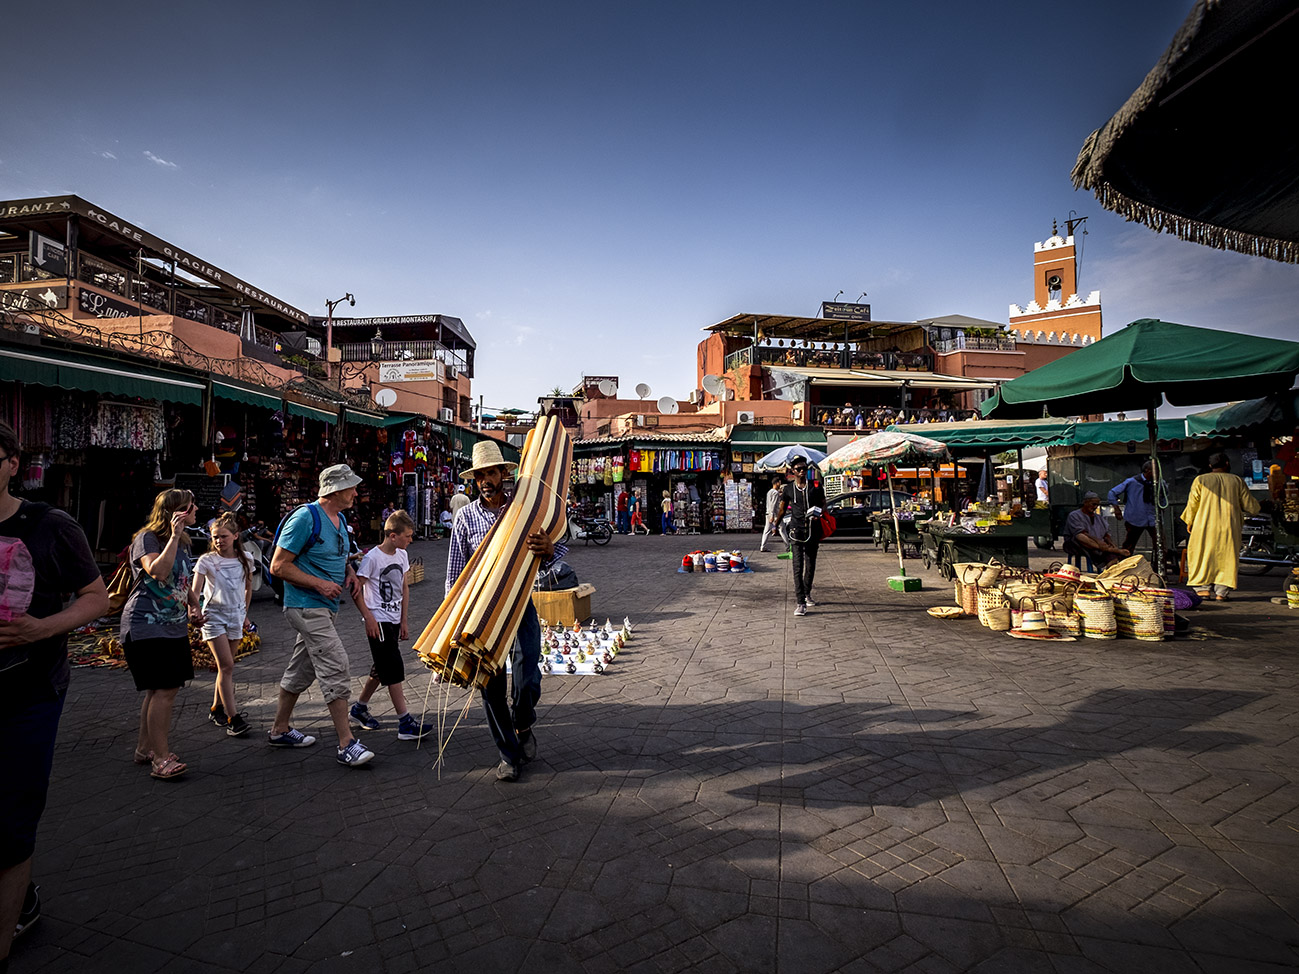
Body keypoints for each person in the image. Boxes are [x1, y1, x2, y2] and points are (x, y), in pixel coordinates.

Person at [0, 422, 107, 966]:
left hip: (29, 691)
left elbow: (96, 597)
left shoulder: (48, 525)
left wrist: (43, 628)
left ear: (13, 462)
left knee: (13, 818)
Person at [446, 440, 567, 782]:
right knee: (491, 684)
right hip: (481, 610)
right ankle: (508, 754)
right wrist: (453, 621)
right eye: (480, 475)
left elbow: (558, 547)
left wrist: (549, 548)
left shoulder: (522, 509)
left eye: (491, 473)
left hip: (520, 601)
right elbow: (455, 573)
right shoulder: (466, 517)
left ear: (503, 474)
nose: (486, 480)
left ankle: (524, 722)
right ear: (475, 479)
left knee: (529, 672)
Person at [269, 464, 372, 767]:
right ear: (335, 490)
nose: (356, 492)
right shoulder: (305, 518)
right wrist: (319, 583)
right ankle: (346, 743)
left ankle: (279, 729)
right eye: (351, 487)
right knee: (336, 664)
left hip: (325, 609)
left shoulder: (338, 519)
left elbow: (338, 555)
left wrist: (349, 572)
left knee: (301, 669)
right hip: (305, 606)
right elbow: (278, 566)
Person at [121, 488, 206, 780]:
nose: (196, 509)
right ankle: (161, 758)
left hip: (172, 625)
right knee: (165, 689)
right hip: (146, 625)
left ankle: (146, 749)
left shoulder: (183, 543)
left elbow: (182, 581)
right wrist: (172, 536)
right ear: (175, 512)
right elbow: (157, 571)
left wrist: (194, 606)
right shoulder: (148, 539)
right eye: (190, 506)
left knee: (158, 690)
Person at [348, 510, 433, 741]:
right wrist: (368, 618)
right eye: (407, 536)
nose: (411, 540)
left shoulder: (402, 555)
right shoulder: (372, 558)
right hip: (378, 620)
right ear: (393, 535)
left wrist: (404, 620)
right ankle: (405, 722)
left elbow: (404, 587)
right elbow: (357, 590)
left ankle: (359, 708)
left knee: (381, 666)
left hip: (394, 619)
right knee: (393, 668)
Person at [191, 512, 253, 737]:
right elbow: (195, 591)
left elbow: (247, 588)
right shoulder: (206, 560)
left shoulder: (245, 559)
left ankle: (216, 707)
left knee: (224, 668)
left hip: (235, 616)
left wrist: (245, 614)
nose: (219, 541)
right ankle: (233, 717)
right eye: (215, 537)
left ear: (235, 536)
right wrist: (194, 610)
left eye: (224, 536)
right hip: (213, 617)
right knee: (227, 666)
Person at [1182, 452, 1260, 601]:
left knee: (1202, 556)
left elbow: (1192, 504)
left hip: (1203, 525)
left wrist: (1189, 521)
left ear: (1210, 466)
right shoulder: (1236, 481)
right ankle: (1221, 592)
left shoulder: (1200, 480)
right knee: (1227, 557)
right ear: (1227, 464)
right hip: (1229, 526)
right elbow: (1251, 506)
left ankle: (1202, 589)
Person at [773, 455, 825, 616]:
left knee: (810, 565)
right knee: (797, 566)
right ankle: (800, 602)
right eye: (799, 469)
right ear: (792, 471)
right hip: (796, 531)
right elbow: (782, 508)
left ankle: (807, 592)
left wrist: (820, 513)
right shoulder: (788, 489)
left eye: (805, 468)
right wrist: (776, 523)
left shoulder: (815, 487)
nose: (802, 471)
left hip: (812, 530)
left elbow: (823, 503)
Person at [1063, 491, 1128, 569]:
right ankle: (1109, 550)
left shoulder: (1099, 518)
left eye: (1097, 505)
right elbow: (1080, 532)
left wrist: (1112, 544)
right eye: (1093, 504)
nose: (1095, 507)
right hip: (1075, 544)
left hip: (1098, 545)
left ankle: (1111, 552)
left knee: (1112, 557)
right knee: (1080, 536)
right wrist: (1098, 542)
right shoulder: (1074, 515)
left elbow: (1106, 534)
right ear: (1085, 502)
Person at [1108, 461, 1160, 557]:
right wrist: (1116, 508)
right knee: (1129, 545)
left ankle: (1158, 569)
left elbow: (1163, 498)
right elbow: (1112, 492)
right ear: (1148, 471)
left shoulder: (1159, 483)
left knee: (1160, 546)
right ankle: (1124, 566)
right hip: (1135, 518)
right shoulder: (1132, 482)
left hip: (1153, 519)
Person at [760, 477, 784, 552]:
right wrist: (772, 515)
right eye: (779, 482)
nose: (780, 484)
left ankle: (763, 546)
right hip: (775, 514)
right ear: (776, 483)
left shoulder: (770, 492)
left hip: (768, 513)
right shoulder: (775, 492)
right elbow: (773, 505)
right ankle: (787, 546)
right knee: (783, 530)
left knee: (766, 531)